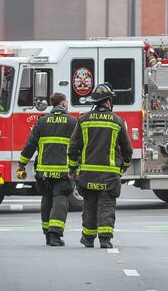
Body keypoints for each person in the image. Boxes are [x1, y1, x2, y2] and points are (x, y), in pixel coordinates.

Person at [68, 83, 133, 249]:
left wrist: (72, 168)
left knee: (89, 205)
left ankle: (88, 238)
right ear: (108, 100)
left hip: (87, 174)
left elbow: (74, 146)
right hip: (110, 175)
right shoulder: (117, 121)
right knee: (106, 205)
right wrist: (124, 165)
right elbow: (127, 148)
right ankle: (105, 239)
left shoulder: (83, 120)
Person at [18, 93, 77, 246]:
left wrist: (22, 163)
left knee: (47, 200)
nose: (67, 104)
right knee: (61, 201)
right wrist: (76, 167)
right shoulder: (72, 122)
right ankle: (55, 235)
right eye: (66, 102)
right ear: (63, 104)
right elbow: (79, 146)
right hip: (64, 171)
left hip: (44, 172)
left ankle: (47, 233)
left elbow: (30, 144)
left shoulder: (42, 121)